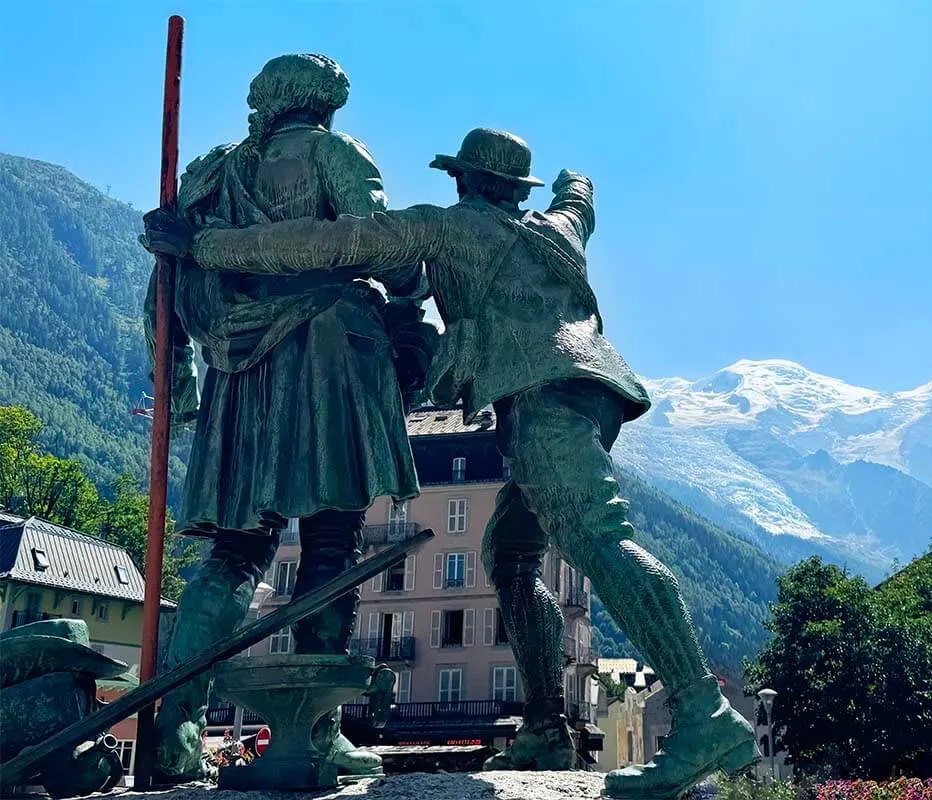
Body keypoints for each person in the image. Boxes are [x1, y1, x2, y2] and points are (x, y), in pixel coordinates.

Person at [143, 127, 758, 799]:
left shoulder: (443, 228)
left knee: (597, 537)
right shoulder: (557, 229)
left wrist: (204, 246)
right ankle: (547, 726)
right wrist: (573, 181)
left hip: (541, 395)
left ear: (463, 180)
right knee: (511, 556)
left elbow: (330, 244)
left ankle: (702, 712)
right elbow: (581, 198)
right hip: (598, 392)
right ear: (516, 190)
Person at [142, 54, 435, 784]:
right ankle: (316, 730)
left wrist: (175, 370)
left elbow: (168, 277)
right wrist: (413, 284)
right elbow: (378, 245)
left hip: (242, 368)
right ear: (321, 106)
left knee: (237, 550)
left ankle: (174, 726)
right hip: (330, 354)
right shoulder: (337, 154)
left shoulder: (212, 174)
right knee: (331, 540)